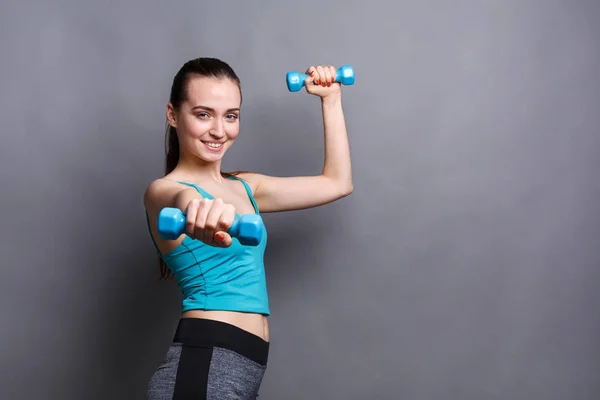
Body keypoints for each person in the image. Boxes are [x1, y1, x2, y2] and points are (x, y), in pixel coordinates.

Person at [143, 57, 353, 399]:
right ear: (172, 115)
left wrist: (331, 100)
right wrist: (197, 209)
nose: (219, 130)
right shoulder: (163, 190)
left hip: (240, 368)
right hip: (204, 365)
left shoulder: (245, 187)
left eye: (231, 115)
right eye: (203, 114)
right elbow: (178, 197)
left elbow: (337, 183)